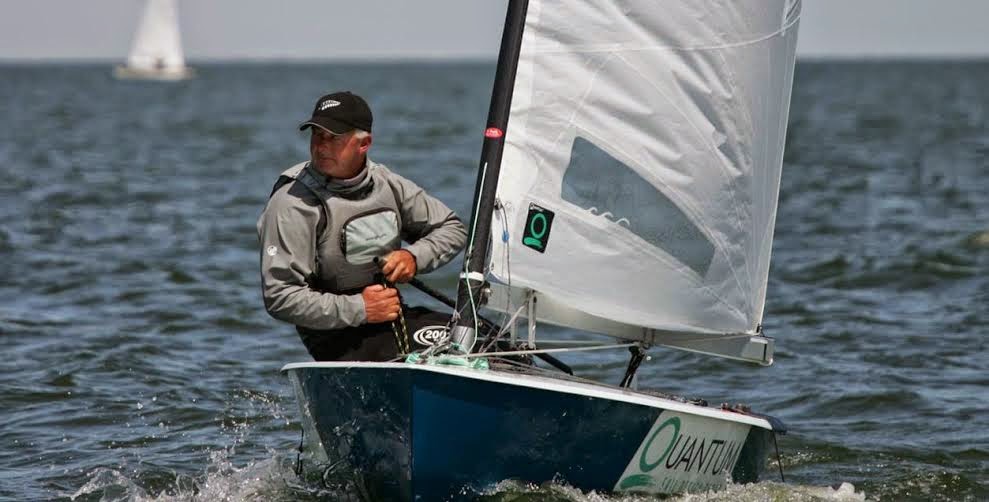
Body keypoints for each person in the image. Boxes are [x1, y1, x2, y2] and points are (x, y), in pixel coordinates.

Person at [257, 91, 467, 361]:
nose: (321, 147)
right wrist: (361, 308)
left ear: (364, 143)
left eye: (334, 138)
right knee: (445, 356)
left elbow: (452, 227)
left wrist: (413, 257)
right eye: (317, 135)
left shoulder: (387, 184)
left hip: (390, 317)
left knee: (480, 341)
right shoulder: (291, 204)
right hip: (335, 338)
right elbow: (279, 296)